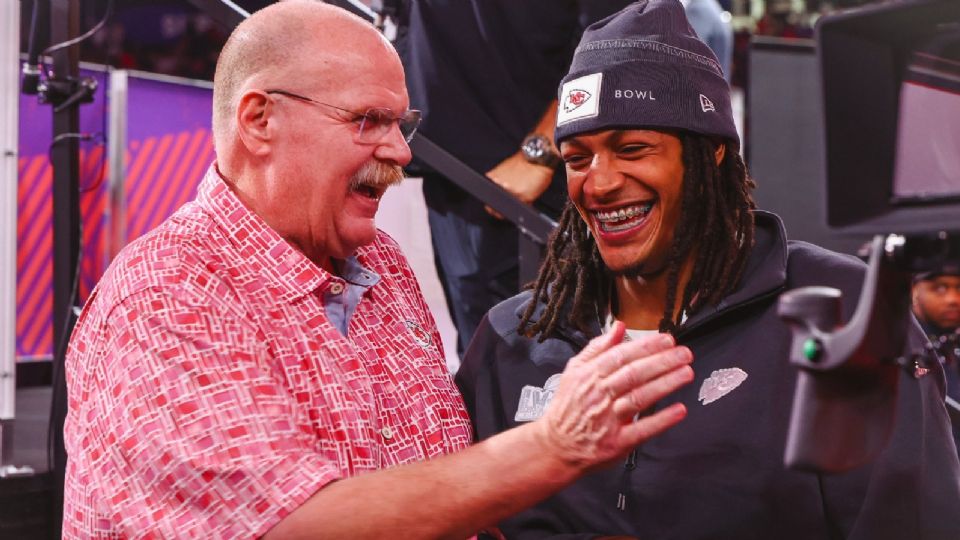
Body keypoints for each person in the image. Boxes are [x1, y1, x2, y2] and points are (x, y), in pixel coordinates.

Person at [61, 2, 697, 538]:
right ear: (259, 120)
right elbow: (289, 526)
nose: (399, 151)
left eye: (401, 123)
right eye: (368, 120)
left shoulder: (382, 267)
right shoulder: (169, 295)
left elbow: (444, 484)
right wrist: (553, 445)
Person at [456, 1, 960, 538]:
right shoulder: (512, 338)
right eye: (578, 158)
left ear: (711, 155)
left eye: (632, 148)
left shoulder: (840, 312)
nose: (598, 184)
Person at [398, 0, 632, 357]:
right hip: (451, 172)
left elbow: (619, 33)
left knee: (549, 365)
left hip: (540, 180)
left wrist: (541, 150)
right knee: (486, 363)